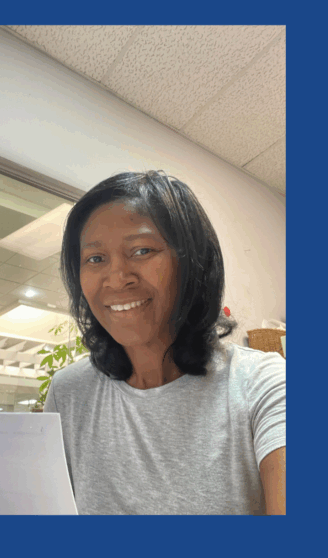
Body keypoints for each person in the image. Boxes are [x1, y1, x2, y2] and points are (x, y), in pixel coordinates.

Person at [44, 170, 285, 515]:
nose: (117, 278)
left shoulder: (264, 384)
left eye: (142, 250)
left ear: (193, 264)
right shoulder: (68, 392)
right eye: (95, 259)